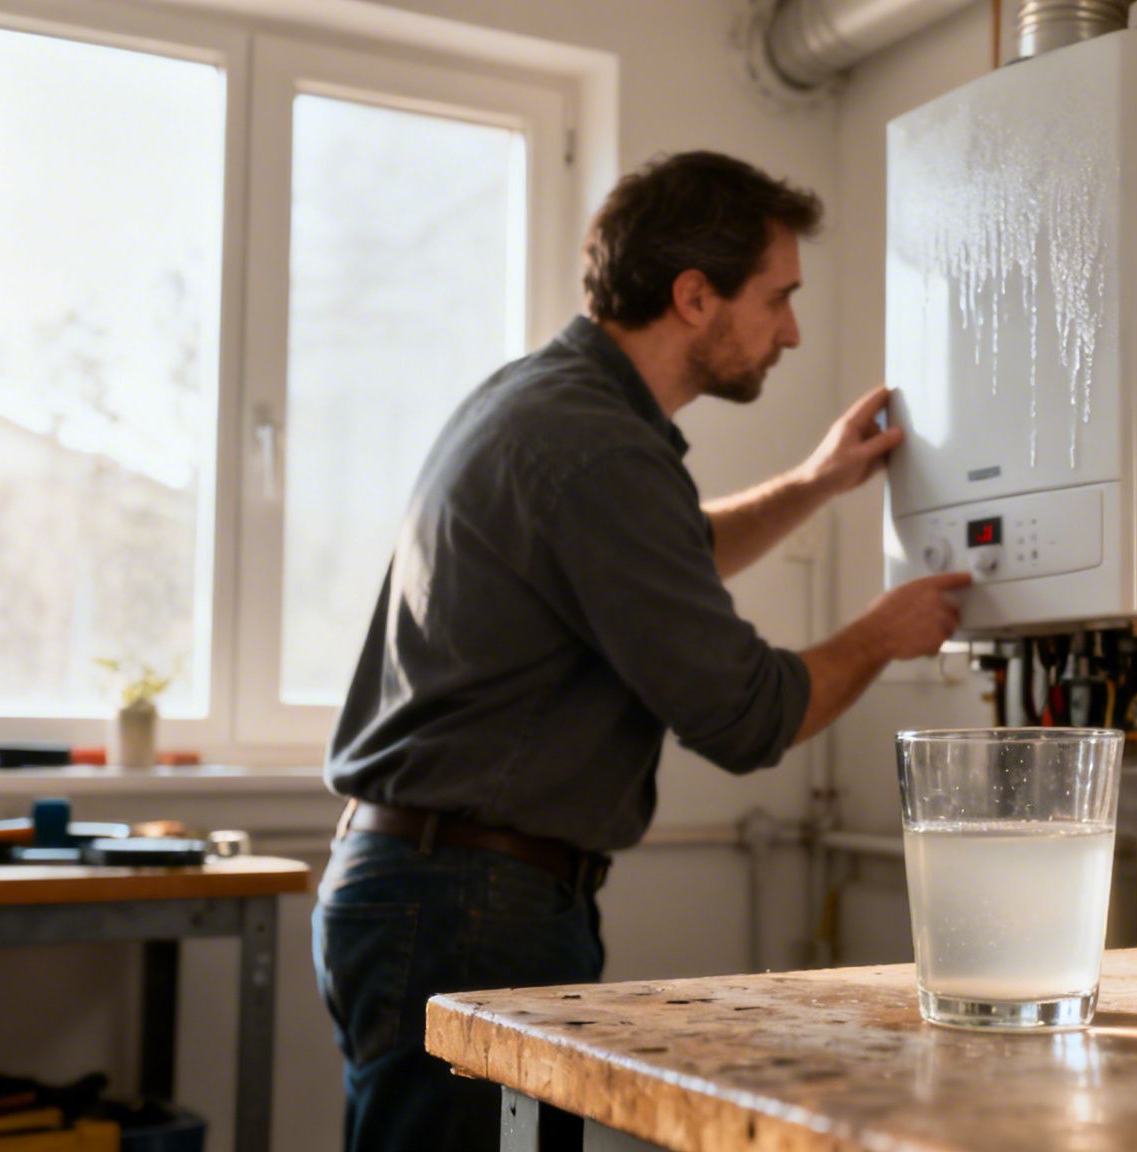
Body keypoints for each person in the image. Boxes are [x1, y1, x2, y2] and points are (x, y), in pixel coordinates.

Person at [311, 150, 969, 1151]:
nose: (792, 331)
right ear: (694, 296)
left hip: (435, 888)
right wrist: (883, 634)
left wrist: (814, 483)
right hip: (467, 904)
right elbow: (749, 715)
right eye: (778, 298)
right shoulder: (599, 446)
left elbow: (662, 558)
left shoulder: (548, 404)